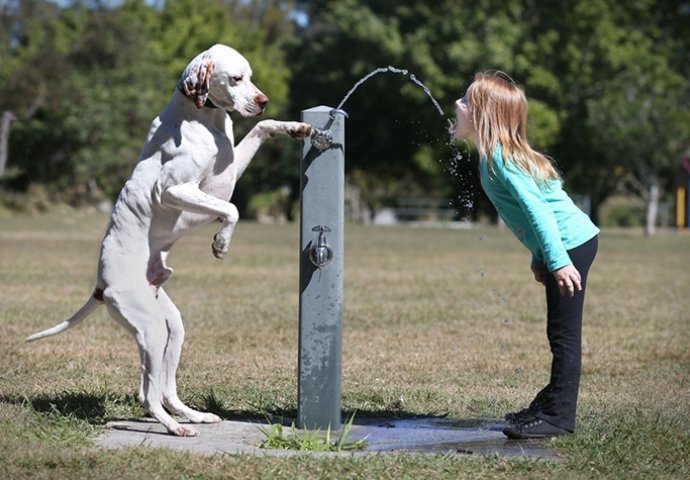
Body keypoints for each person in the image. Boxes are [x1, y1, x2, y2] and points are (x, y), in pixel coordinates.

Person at [451, 72, 599, 439]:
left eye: (467, 102)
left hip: (570, 246)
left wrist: (559, 260)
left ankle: (559, 417)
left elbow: (539, 211)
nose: (458, 105)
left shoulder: (500, 158)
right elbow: (535, 211)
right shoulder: (495, 156)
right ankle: (548, 405)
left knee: (564, 334)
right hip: (564, 246)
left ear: (484, 115)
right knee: (558, 331)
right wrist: (540, 257)